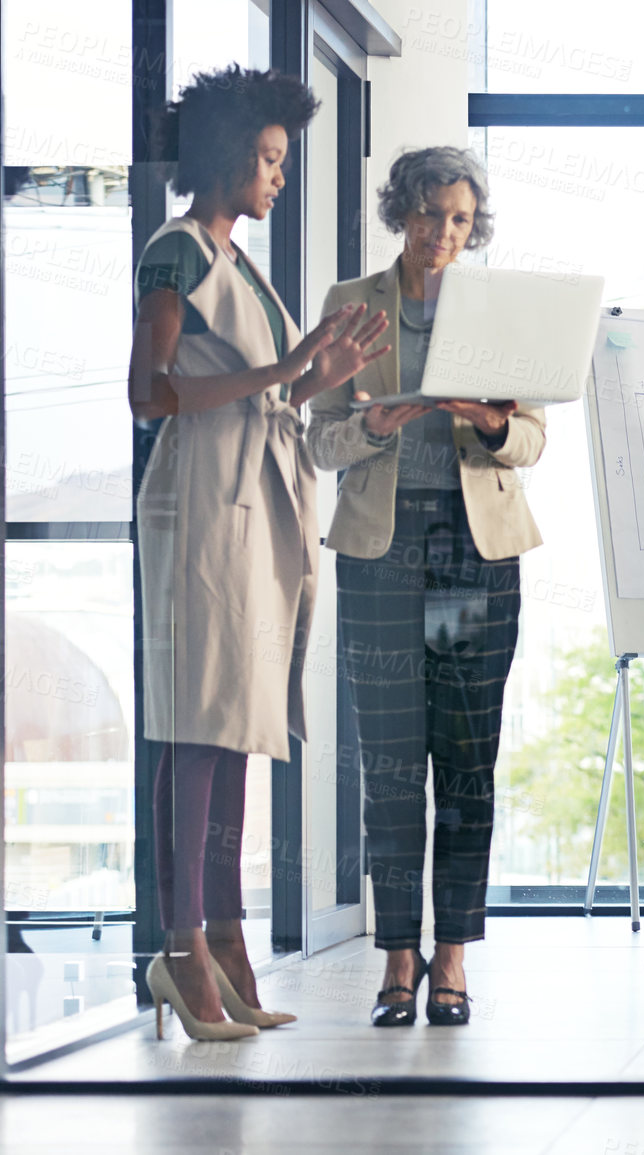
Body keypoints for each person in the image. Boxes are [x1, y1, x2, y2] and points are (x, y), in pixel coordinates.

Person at [130, 66, 390, 1038]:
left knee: (238, 725)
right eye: (272, 159)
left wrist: (319, 372)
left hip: (253, 501)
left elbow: (260, 386)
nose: (280, 177)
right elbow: (148, 390)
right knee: (197, 727)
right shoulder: (177, 253)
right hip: (203, 501)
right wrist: (286, 370)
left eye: (285, 161)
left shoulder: (239, 265)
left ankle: (227, 935)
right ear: (231, 155)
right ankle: (180, 946)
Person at [308, 147, 545, 1027]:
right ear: (398, 212)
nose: (440, 232)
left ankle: (453, 958)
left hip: (477, 552)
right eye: (425, 214)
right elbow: (316, 441)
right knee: (391, 764)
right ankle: (396, 961)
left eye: (456, 218)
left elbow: (532, 442)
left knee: (468, 762)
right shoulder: (348, 305)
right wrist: (372, 424)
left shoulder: (496, 311)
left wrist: (490, 420)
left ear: (471, 224)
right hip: (381, 545)